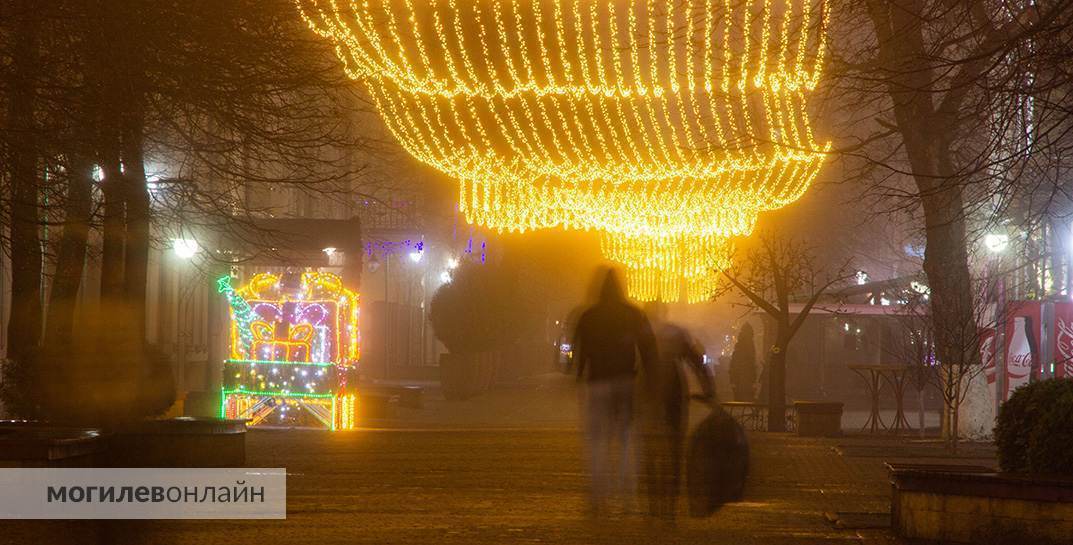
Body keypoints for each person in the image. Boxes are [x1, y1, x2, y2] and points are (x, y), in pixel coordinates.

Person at [572, 268, 657, 516]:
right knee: (626, 439)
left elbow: (580, 348)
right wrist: (650, 379)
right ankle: (628, 495)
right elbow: (648, 348)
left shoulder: (588, 316)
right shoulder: (633, 314)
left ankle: (599, 495)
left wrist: (578, 376)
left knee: (597, 442)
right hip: (625, 383)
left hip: (597, 382)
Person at [640, 302, 715, 520]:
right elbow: (695, 361)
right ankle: (671, 500)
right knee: (674, 447)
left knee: (649, 448)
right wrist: (708, 389)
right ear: (663, 312)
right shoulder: (675, 333)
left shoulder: (638, 333)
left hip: (646, 392)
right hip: (673, 390)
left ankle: (653, 500)